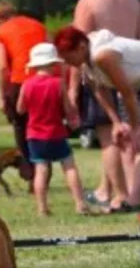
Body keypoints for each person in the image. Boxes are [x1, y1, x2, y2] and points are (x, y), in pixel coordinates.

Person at [54, 26, 140, 212]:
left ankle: (134, 201)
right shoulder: (85, 63)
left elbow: (126, 93)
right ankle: (128, 198)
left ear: (82, 47)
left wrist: (134, 127)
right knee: (125, 142)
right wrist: (116, 122)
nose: (69, 63)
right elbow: (100, 90)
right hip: (133, 81)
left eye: (69, 57)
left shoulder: (103, 56)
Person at [66, 0, 140, 211]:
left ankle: (120, 196)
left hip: (102, 75)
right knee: (129, 137)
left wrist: (71, 90)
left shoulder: (87, 4)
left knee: (109, 140)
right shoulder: (132, 0)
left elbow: (76, 50)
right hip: (132, 76)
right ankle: (109, 189)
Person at [16, 43, 87, 216]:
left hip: (34, 135)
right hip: (56, 132)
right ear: (53, 63)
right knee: (69, 167)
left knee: (41, 170)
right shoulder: (58, 83)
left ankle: (42, 208)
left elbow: (20, 109)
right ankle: (79, 204)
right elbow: (68, 108)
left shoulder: (27, 84)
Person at [0, 0, 50, 184]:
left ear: (0, 18)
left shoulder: (1, 32)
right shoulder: (39, 26)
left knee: (21, 127)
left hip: (20, 82)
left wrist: (2, 95)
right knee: (44, 126)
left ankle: (30, 172)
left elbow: (2, 68)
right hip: (46, 81)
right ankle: (45, 172)